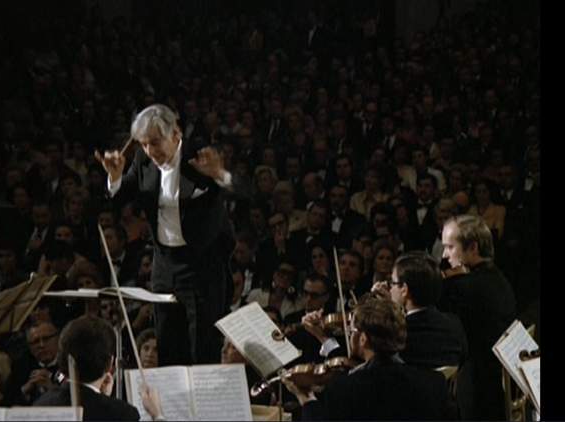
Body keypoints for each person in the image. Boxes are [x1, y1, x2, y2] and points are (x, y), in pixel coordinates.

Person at [96, 104, 246, 365]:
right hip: (164, 266)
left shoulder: (201, 155)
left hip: (202, 266)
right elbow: (120, 196)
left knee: (202, 348)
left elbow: (244, 191)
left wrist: (219, 174)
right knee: (167, 345)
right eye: (144, 144)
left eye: (155, 143)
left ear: (175, 134)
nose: (150, 151)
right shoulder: (143, 160)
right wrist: (115, 177)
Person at [282, 298, 451, 420]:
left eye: (352, 331)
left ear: (363, 339)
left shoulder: (345, 389)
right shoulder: (434, 382)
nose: (349, 335)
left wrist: (306, 399)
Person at [439, 215, 516, 420]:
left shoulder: (465, 288)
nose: (444, 255)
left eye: (450, 247)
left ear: (473, 247)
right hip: (495, 387)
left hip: (478, 392)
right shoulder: (497, 278)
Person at [35, 315, 162, 421]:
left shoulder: (41, 404)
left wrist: (101, 397)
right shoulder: (122, 414)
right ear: (110, 364)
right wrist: (157, 416)